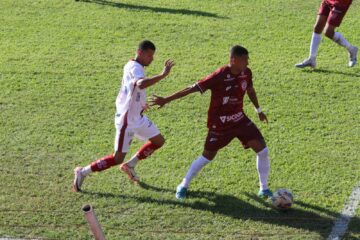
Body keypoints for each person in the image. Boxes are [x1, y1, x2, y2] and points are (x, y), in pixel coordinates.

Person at [150, 45, 272, 200]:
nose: (247, 63)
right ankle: (183, 185)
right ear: (233, 60)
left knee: (262, 151)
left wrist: (259, 110)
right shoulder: (219, 76)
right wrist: (166, 99)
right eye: (244, 60)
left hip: (239, 119)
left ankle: (264, 189)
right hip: (219, 125)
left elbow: (250, 90)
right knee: (207, 156)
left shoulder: (246, 73)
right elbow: (191, 89)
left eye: (248, 60)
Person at [72, 40, 175, 192]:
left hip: (137, 117)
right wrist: (162, 75)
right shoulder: (134, 67)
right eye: (149, 55)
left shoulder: (134, 66)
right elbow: (140, 84)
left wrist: (141, 104)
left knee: (158, 141)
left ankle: (130, 165)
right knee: (117, 158)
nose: (151, 59)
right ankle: (82, 172)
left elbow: (132, 89)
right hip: (127, 121)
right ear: (139, 52)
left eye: (152, 56)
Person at [295, 0, 357, 68]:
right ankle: (311, 59)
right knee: (317, 27)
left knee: (328, 32)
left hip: (340, 2)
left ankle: (352, 49)